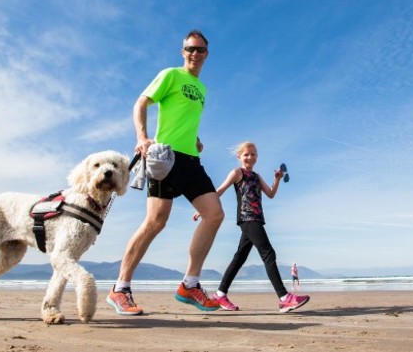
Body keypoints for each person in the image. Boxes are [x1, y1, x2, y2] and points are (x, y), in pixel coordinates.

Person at [106, 30, 224, 315]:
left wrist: (194, 138)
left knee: (214, 214)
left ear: (207, 54)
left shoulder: (203, 90)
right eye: (190, 49)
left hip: (191, 160)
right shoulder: (171, 75)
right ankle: (120, 288)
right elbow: (141, 102)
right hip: (165, 158)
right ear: (183, 51)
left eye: (201, 50)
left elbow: (182, 117)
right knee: (155, 222)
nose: (195, 54)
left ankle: (190, 284)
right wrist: (142, 137)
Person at [194, 141, 310, 313]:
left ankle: (220, 294)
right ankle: (284, 298)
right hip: (247, 219)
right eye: (246, 154)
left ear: (257, 157)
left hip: (257, 219)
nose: (250, 157)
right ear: (239, 156)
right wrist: (203, 209)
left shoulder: (256, 176)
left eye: (253, 154)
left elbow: (270, 193)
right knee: (268, 253)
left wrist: (276, 179)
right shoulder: (237, 172)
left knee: (239, 258)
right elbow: (220, 190)